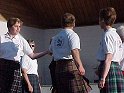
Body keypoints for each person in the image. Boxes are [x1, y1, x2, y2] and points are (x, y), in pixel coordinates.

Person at [0, 17, 49, 93]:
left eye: (19, 27)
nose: (18, 28)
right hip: (3, 67)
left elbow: (32, 56)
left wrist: (46, 51)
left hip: (15, 67)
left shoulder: (21, 40)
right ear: (9, 26)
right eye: (16, 26)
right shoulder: (1, 38)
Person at [49, 13, 91, 93]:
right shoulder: (72, 35)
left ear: (62, 23)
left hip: (58, 68)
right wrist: (80, 66)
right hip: (70, 67)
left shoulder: (55, 37)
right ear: (74, 23)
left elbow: (50, 52)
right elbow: (74, 51)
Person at [97, 7, 124, 93]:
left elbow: (109, 57)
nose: (98, 21)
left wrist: (103, 78)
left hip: (110, 69)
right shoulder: (115, 34)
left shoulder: (108, 35)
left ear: (103, 20)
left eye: (99, 19)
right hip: (116, 68)